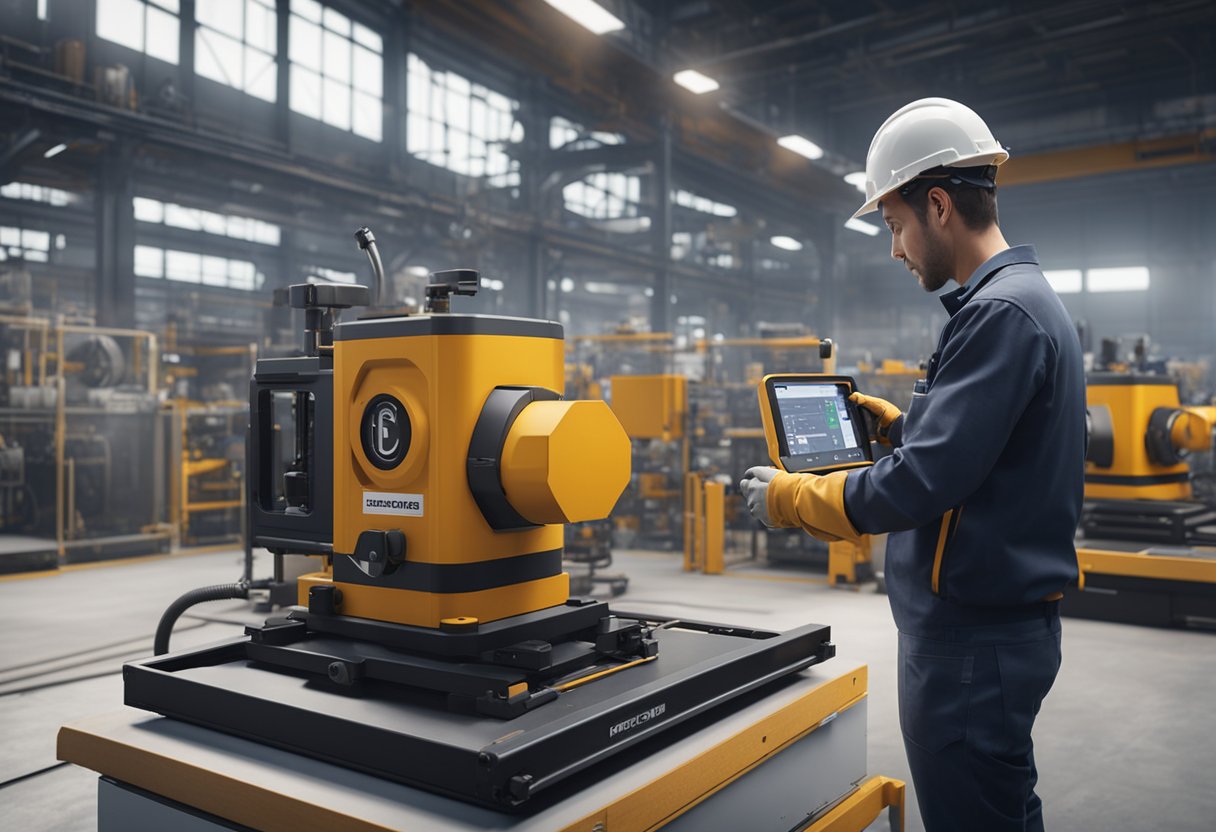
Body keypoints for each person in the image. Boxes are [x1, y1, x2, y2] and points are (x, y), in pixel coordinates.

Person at [739, 97, 1086, 832]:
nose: (895, 250)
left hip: (972, 641)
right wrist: (907, 428)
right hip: (995, 628)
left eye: (894, 226)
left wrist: (790, 499)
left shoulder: (1000, 315)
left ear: (936, 206)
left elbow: (922, 487)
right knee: (1000, 809)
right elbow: (992, 456)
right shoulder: (1022, 303)